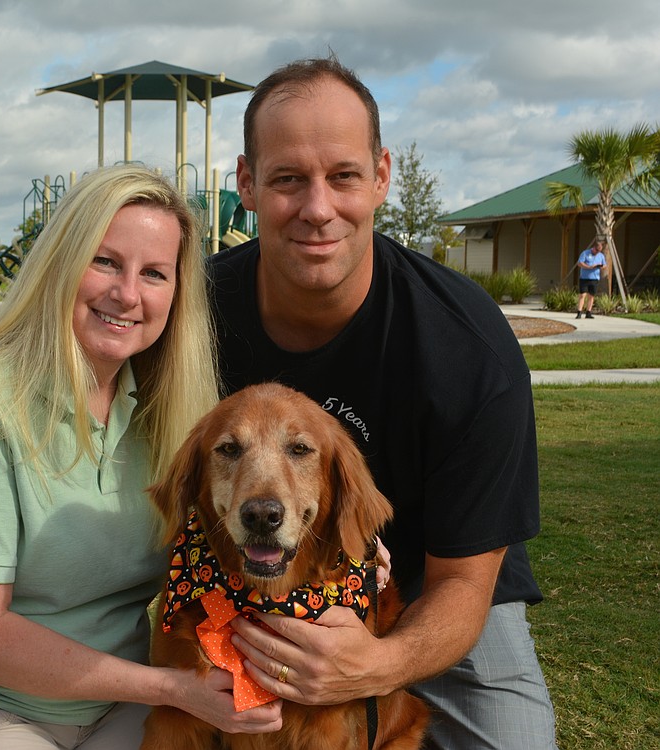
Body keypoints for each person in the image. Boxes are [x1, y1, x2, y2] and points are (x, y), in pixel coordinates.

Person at [0, 165, 284, 749]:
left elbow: (237, 543)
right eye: (105, 261)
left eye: (154, 273)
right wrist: (172, 689)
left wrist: (352, 558)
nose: (127, 293)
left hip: (118, 702)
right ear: (62, 261)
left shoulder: (182, 414)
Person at [209, 57, 559, 749]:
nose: (317, 208)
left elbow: (464, 581)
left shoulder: (468, 350)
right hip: (249, 577)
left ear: (381, 176)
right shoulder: (195, 317)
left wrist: (376, 665)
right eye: (287, 178)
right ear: (246, 183)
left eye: (342, 175)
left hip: (433, 597)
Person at [576, 239, 608, 318]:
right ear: (594, 247)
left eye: (599, 251)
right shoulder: (585, 253)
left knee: (591, 296)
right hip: (584, 278)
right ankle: (579, 312)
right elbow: (579, 263)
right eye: (596, 250)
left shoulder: (601, 256)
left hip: (594, 279)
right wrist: (589, 267)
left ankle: (588, 312)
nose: (597, 252)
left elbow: (605, 265)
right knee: (582, 295)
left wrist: (600, 266)